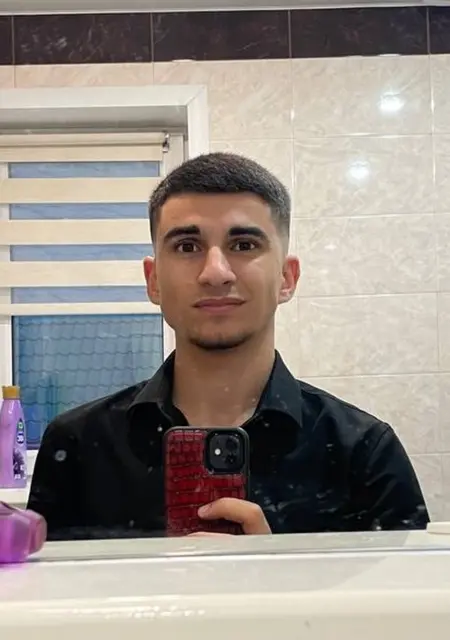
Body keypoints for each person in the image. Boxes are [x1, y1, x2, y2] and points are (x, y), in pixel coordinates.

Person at [27, 152, 429, 540]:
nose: (215, 272)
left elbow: (409, 590)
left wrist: (272, 570)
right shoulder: (78, 446)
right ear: (153, 281)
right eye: (187, 246)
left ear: (287, 278)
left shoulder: (364, 452)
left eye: (244, 245)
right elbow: (42, 588)